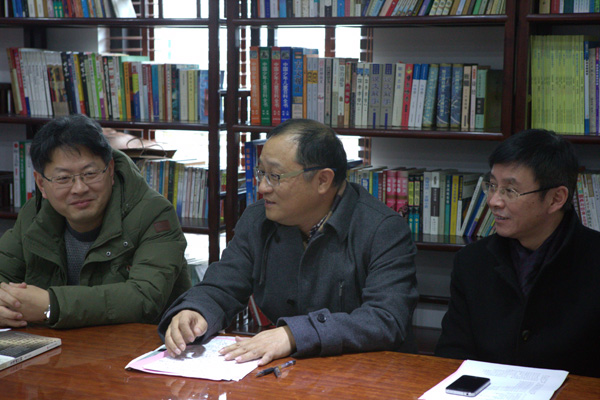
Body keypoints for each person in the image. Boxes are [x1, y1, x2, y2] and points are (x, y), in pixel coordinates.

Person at [159, 119, 418, 365]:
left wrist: (293, 334)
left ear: (322, 180)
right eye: (261, 172)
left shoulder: (382, 229)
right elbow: (222, 286)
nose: (262, 187)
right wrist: (196, 311)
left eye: (275, 176)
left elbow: (386, 319)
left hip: (364, 375)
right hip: (287, 372)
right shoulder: (258, 219)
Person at [0, 114, 191, 329]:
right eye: (63, 178)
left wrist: (52, 305)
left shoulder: (153, 213)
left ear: (110, 170)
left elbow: (145, 298)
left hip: (139, 344)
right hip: (58, 344)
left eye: (90, 173)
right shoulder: (34, 215)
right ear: (41, 184)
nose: (79, 188)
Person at [435, 129, 600, 377]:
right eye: (492, 186)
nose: (494, 201)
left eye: (510, 191)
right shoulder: (471, 262)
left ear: (556, 198)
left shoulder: (593, 260)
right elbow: (451, 357)